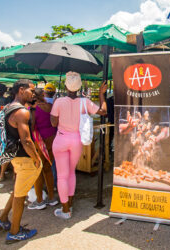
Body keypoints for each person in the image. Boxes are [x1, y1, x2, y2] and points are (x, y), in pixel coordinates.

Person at [50, 72, 107, 219]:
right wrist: (101, 94)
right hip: (76, 141)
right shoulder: (85, 102)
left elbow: (53, 123)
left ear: (66, 85)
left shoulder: (59, 101)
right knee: (71, 173)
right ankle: (70, 203)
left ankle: (65, 209)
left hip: (61, 140)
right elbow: (103, 111)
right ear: (79, 86)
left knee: (62, 176)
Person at [0, 79, 42, 244]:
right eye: (31, 91)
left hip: (14, 156)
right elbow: (27, 140)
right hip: (24, 157)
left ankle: (3, 218)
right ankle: (14, 232)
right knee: (20, 196)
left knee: (17, 190)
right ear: (21, 90)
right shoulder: (22, 112)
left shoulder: (7, 107)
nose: (33, 94)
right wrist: (36, 158)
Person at [28, 88, 58, 210]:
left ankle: (39, 200)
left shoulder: (33, 109)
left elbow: (32, 126)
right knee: (48, 168)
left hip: (39, 141)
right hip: (52, 138)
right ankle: (51, 197)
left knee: (38, 170)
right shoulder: (51, 106)